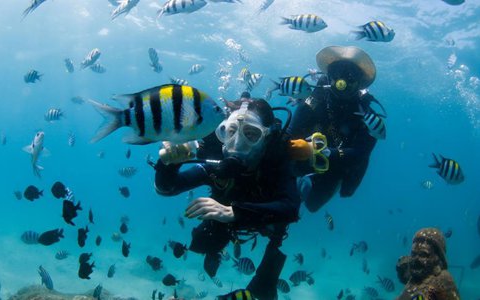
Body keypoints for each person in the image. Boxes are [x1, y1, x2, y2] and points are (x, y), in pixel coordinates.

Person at [154, 97, 300, 300]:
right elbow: (168, 188)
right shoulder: (217, 159)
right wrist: (168, 164)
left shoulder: (276, 162)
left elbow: (291, 208)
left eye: (251, 134)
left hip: (265, 214)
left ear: (266, 137)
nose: (238, 143)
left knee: (277, 234)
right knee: (203, 242)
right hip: (225, 213)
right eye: (230, 132)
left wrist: (234, 212)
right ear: (221, 133)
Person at [288, 46, 385, 212]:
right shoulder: (315, 98)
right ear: (328, 75)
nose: (342, 82)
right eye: (336, 73)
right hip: (303, 158)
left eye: (350, 76)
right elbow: (290, 133)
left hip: (337, 167)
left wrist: (325, 153)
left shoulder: (367, 115)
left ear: (359, 83)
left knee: (312, 205)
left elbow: (361, 153)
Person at [395, 228, 460, 300]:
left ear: (437, 258)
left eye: (423, 255)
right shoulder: (415, 277)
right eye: (413, 254)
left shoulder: (443, 281)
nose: (416, 259)